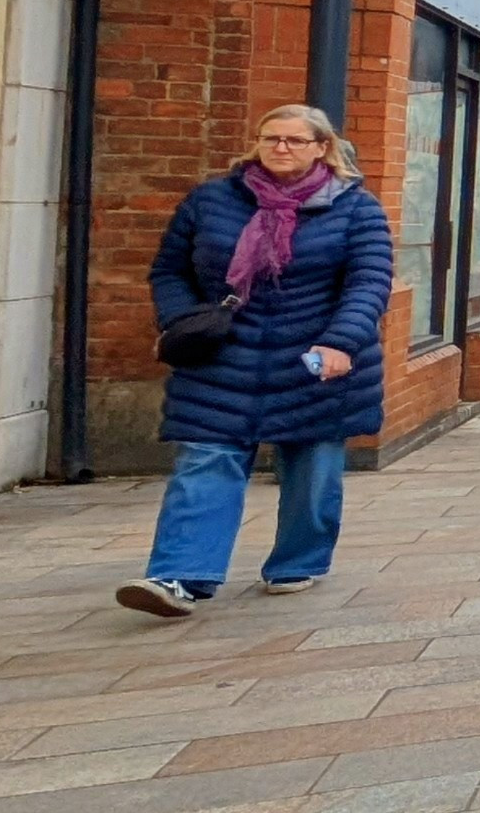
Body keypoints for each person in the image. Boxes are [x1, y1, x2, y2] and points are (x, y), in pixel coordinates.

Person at [118, 104, 395, 616]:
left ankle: (298, 562)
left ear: (322, 148)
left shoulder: (357, 209)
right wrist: (180, 321)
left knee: (312, 467)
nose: (280, 148)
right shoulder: (211, 201)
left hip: (312, 356)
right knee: (207, 458)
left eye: (293, 140)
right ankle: (180, 577)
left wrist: (340, 342)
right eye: (271, 139)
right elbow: (169, 271)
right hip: (221, 355)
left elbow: (368, 284)